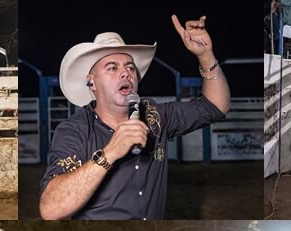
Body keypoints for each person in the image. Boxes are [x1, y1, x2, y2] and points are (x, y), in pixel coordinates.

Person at [39, 16, 230, 220]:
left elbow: (215, 107)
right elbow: (50, 209)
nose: (125, 73)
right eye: (112, 68)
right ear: (91, 82)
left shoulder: (154, 115)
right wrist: (110, 154)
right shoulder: (73, 131)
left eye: (130, 67)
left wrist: (206, 56)